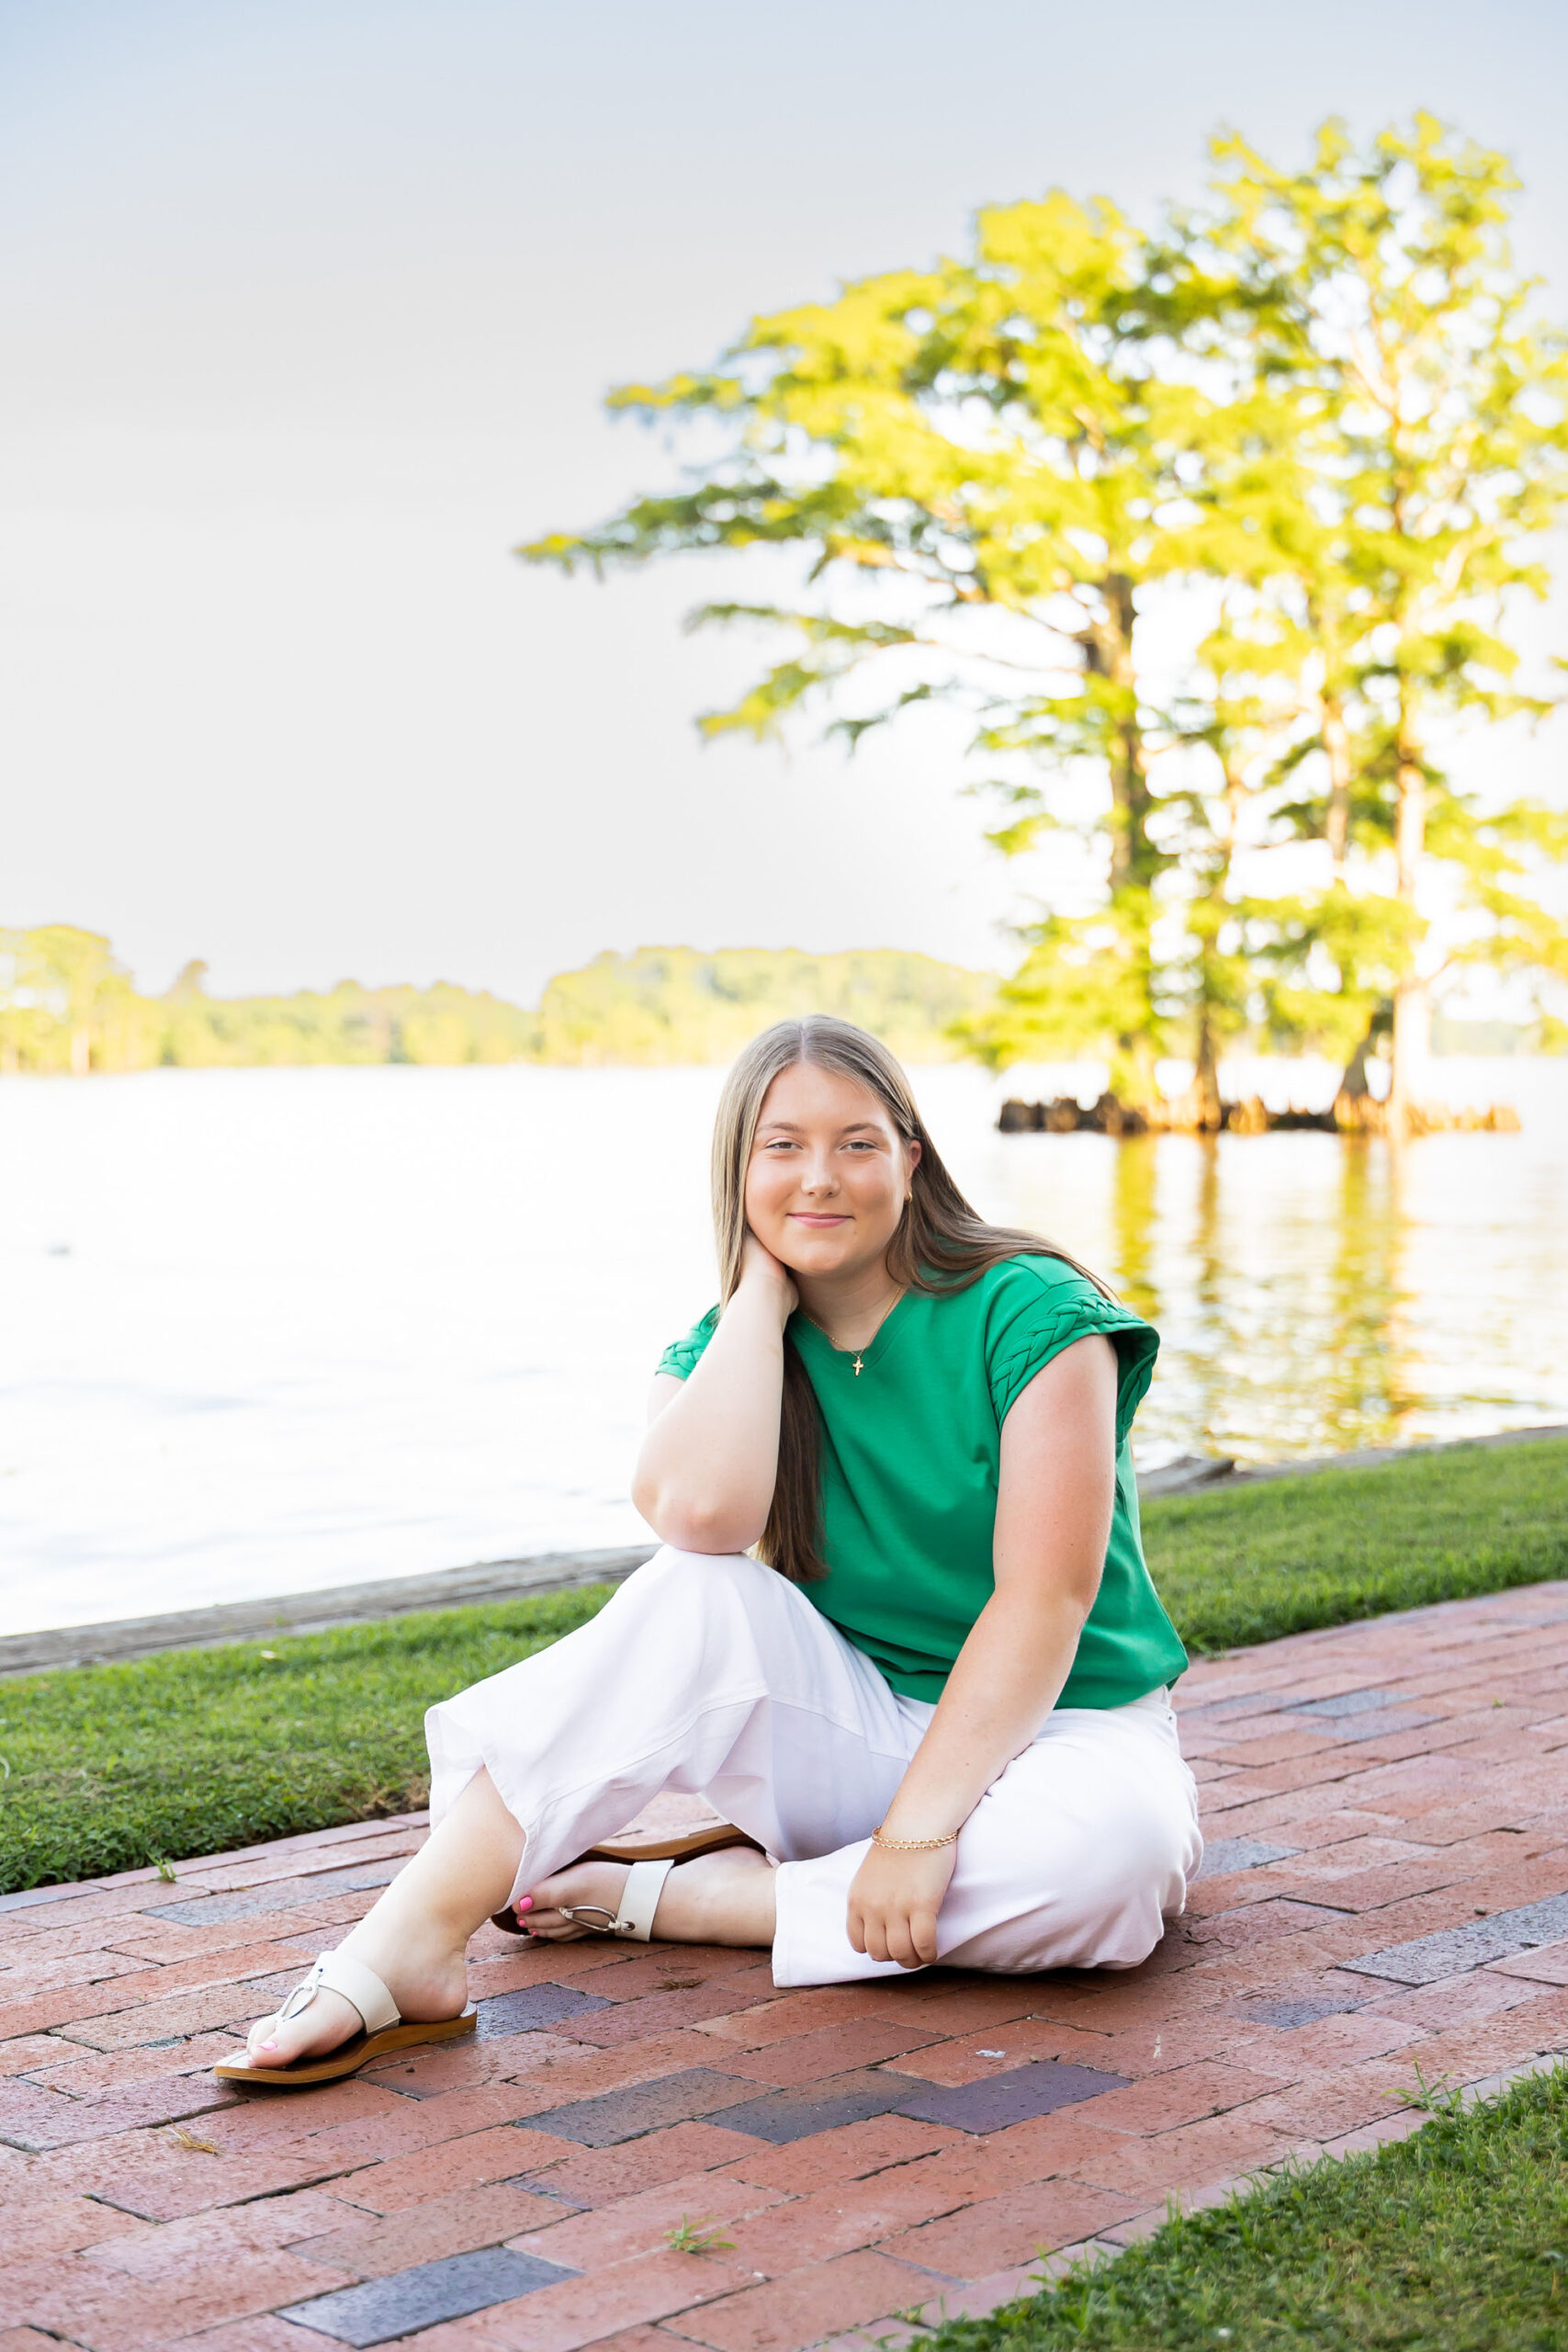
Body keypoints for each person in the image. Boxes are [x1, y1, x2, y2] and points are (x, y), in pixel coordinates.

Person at [224, 1016, 1200, 2085]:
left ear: (912, 1159)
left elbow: (1044, 1603)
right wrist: (762, 1299)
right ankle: (404, 1941)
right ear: (734, 1169)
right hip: (859, 1728)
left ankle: (679, 1898)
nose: (819, 1178)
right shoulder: (721, 1350)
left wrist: (917, 1839)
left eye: (857, 1143)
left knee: (1112, 1870)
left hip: (1069, 1729)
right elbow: (698, 1520)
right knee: (693, 1592)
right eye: (780, 1147)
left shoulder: (1036, 1310)